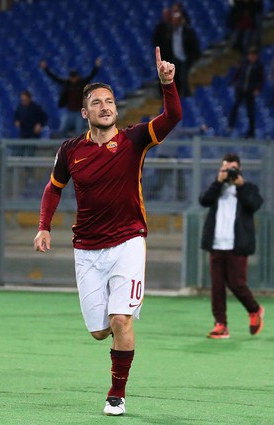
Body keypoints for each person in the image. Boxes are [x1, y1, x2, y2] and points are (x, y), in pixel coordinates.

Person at [33, 47, 182, 416]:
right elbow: (53, 188)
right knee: (101, 331)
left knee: (121, 320)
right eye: (97, 102)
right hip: (86, 248)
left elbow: (173, 117)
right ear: (85, 113)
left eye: (110, 101)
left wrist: (168, 83)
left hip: (129, 241)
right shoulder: (70, 150)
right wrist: (43, 227)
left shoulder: (134, 140)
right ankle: (120, 327)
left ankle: (116, 394)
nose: (105, 106)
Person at [199, 153, 264, 339]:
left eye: (232, 169)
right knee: (217, 287)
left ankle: (255, 310)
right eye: (226, 169)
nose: (229, 172)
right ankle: (220, 325)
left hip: (237, 245)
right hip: (216, 244)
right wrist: (218, 182)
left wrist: (240, 186)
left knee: (237, 283)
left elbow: (254, 205)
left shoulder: (248, 187)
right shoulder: (216, 188)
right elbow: (204, 200)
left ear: (240, 169)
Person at [40, 58, 102, 137]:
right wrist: (46, 69)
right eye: (71, 77)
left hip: (79, 112)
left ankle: (78, 147)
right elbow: (55, 78)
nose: (73, 79)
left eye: (74, 77)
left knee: (79, 131)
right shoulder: (67, 83)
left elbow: (91, 76)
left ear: (77, 77)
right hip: (69, 111)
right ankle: (66, 146)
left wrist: (96, 66)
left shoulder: (82, 83)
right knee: (62, 130)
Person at [227, 46, 264, 138]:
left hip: (250, 91)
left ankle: (251, 132)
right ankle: (230, 125)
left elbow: (261, 79)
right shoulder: (244, 63)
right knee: (235, 106)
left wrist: (257, 89)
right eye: (250, 55)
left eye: (254, 55)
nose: (252, 57)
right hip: (241, 89)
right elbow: (238, 73)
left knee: (250, 111)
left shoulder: (259, 66)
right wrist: (234, 82)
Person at [169, 11, 201, 97]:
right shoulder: (171, 31)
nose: (175, 22)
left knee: (183, 78)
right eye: (173, 20)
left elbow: (194, 43)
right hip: (175, 57)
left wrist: (194, 56)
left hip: (185, 58)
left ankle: (187, 95)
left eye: (177, 20)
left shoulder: (187, 31)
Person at [14, 90, 48, 156]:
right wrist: (17, 121)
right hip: (23, 133)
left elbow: (44, 117)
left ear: (29, 99)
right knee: (19, 153)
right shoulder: (20, 107)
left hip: (32, 134)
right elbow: (16, 116)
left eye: (25, 99)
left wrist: (39, 125)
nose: (23, 101)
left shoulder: (36, 108)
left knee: (30, 153)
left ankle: (28, 166)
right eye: (22, 100)